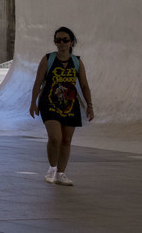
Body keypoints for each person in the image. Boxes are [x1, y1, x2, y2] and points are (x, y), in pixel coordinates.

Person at [29, 26, 95, 185]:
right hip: (49, 102)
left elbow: (84, 85)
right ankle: (52, 169)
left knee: (66, 140)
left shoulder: (77, 62)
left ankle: (61, 173)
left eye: (65, 40)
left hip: (69, 103)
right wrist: (33, 102)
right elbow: (38, 81)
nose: (61, 43)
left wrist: (90, 105)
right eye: (58, 40)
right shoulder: (48, 59)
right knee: (55, 137)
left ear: (71, 42)